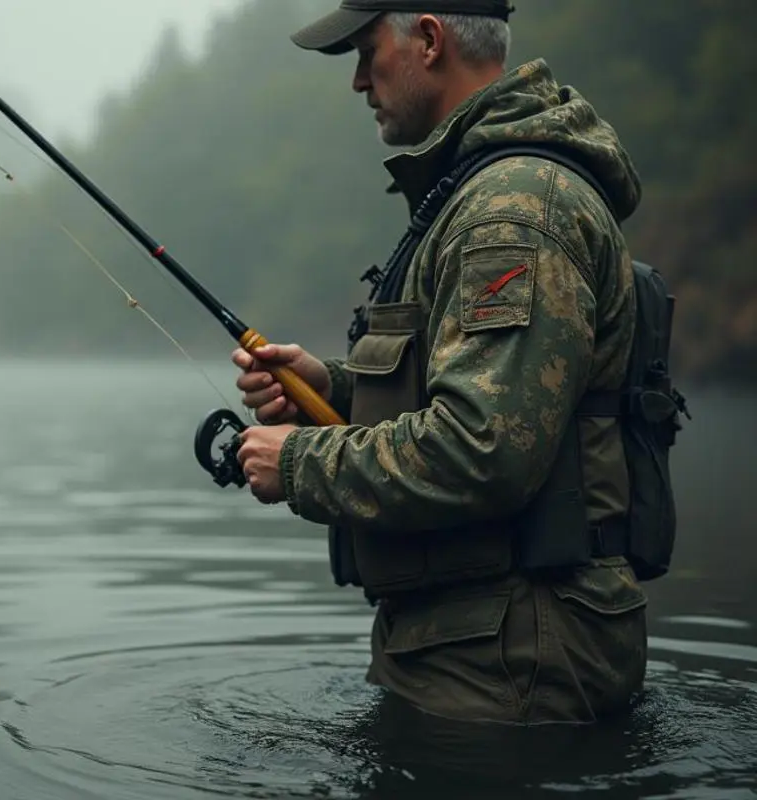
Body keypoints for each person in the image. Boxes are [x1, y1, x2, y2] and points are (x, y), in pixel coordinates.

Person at [231, 0, 651, 725]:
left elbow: (485, 448)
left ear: (428, 40)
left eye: (367, 53)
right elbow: (473, 385)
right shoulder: (479, 192)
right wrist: (336, 387)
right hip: (480, 651)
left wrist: (300, 461)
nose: (359, 82)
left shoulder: (511, 212)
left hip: (508, 670)